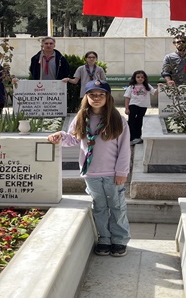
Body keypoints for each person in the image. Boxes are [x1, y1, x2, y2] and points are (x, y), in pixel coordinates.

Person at [47, 80, 131, 257]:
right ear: (86, 97)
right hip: (91, 172)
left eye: (101, 95)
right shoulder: (81, 118)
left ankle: (119, 239)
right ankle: (104, 239)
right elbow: (73, 139)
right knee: (99, 207)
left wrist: (122, 172)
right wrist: (60, 136)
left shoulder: (117, 120)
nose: (97, 98)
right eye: (92, 95)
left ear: (108, 97)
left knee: (116, 206)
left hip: (112, 173)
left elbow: (124, 149)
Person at [123, 70, 157, 145]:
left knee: (139, 121)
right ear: (134, 78)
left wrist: (160, 87)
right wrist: (126, 108)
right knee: (131, 121)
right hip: (133, 105)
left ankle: (138, 137)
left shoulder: (147, 86)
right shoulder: (131, 87)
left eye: (142, 77)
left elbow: (154, 92)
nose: (140, 79)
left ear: (145, 78)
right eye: (138, 77)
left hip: (143, 106)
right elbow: (127, 97)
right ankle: (131, 137)